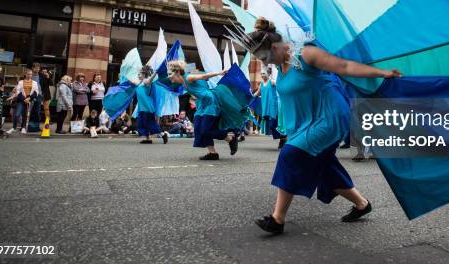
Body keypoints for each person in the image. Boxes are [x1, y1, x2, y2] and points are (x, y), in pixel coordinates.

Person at [235, 18, 401, 234]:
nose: (266, 62)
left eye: (265, 57)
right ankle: (362, 204)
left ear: (275, 47)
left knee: (290, 155)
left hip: (329, 116)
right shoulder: (281, 65)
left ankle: (277, 219)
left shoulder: (306, 55)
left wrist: (383, 73)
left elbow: (344, 66)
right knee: (324, 166)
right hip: (305, 122)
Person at [167, 63, 238, 160]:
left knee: (206, 129)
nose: (169, 77)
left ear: (178, 73)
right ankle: (212, 153)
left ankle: (230, 139)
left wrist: (219, 72)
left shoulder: (188, 78)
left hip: (210, 102)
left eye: (170, 74)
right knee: (199, 129)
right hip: (201, 104)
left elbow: (204, 76)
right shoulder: (183, 83)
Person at [134, 65, 168, 144]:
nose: (138, 75)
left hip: (147, 107)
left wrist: (155, 72)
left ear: (144, 74)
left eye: (139, 74)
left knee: (150, 123)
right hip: (142, 107)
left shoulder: (146, 82)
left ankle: (163, 134)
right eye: (138, 74)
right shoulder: (140, 83)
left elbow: (150, 79)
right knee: (142, 123)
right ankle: (148, 139)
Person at [254, 68, 286, 148]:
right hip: (266, 107)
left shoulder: (271, 82)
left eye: (264, 73)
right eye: (261, 74)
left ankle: (283, 138)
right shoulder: (261, 84)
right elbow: (256, 94)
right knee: (272, 125)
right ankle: (283, 138)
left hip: (274, 106)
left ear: (269, 74)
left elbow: (281, 85)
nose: (262, 75)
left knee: (273, 124)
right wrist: (248, 96)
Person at [8, 69, 39, 134]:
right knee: (16, 115)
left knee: (25, 115)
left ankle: (23, 128)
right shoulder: (20, 82)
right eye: (28, 74)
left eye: (30, 74)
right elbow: (18, 91)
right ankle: (14, 128)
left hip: (29, 101)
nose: (29, 75)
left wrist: (29, 98)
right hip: (21, 100)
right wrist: (24, 99)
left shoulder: (35, 83)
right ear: (25, 74)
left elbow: (36, 92)